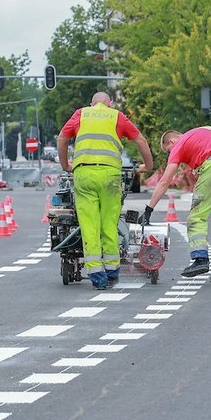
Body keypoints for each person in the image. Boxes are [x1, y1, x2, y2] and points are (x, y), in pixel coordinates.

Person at [57, 92, 154, 289]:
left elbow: (62, 138)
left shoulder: (80, 114)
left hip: (84, 175)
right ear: (109, 103)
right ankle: (112, 272)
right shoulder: (116, 116)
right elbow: (141, 140)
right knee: (109, 223)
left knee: (89, 226)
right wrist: (148, 166)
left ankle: (97, 276)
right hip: (110, 176)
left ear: (91, 103)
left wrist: (66, 164)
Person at [138, 126, 211, 283]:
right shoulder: (203, 130)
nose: (171, 154)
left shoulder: (179, 144)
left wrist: (148, 210)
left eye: (168, 151)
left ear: (172, 141)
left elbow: (164, 182)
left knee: (197, 215)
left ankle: (200, 259)